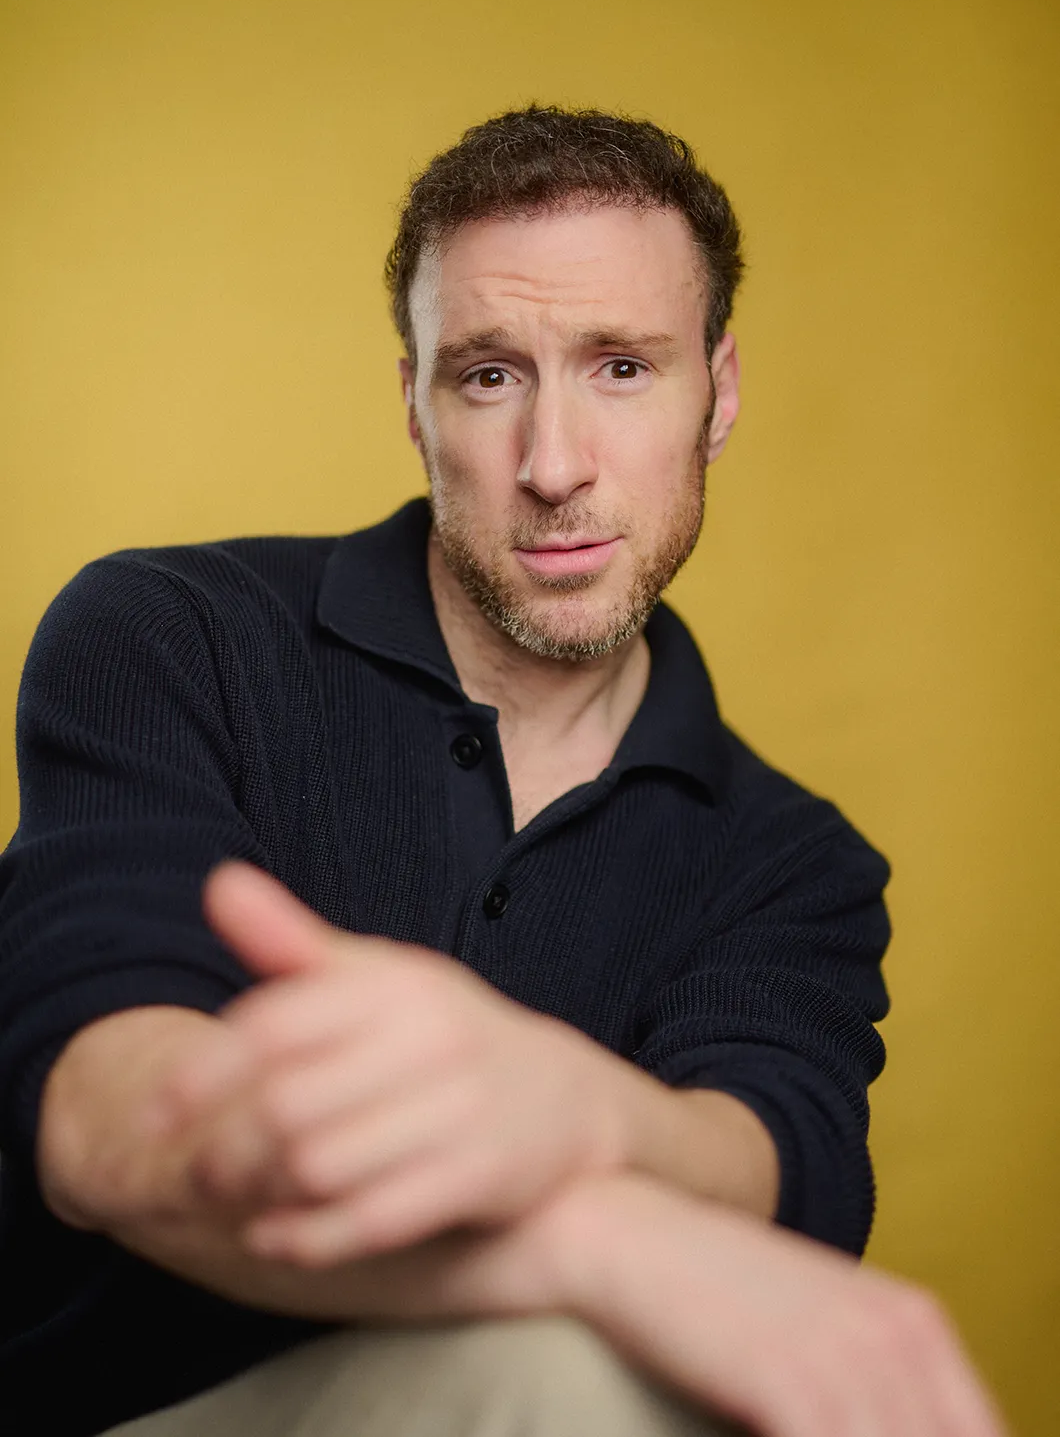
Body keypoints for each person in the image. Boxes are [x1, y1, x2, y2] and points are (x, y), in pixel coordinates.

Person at [0, 106, 1002, 1436]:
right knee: (573, 1364)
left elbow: (772, 1165)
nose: (554, 465)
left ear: (722, 392)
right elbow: (97, 1132)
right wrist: (595, 1246)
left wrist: (574, 1112)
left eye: (622, 369)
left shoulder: (793, 859)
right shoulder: (172, 635)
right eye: (487, 376)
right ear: (412, 405)